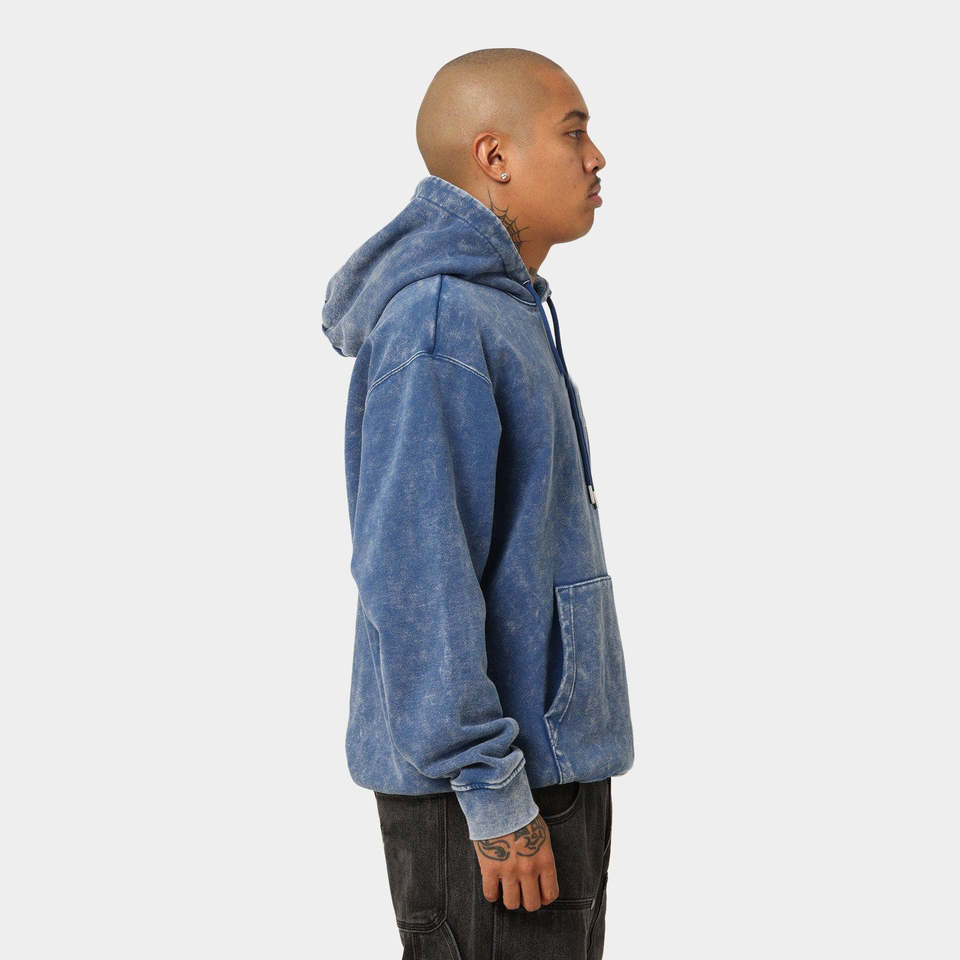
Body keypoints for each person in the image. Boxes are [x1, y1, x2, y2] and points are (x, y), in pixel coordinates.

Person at [321, 47, 635, 959]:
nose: (597, 157)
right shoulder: (439, 322)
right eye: (573, 132)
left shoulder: (500, 311)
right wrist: (493, 792)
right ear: (494, 156)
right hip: (492, 794)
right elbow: (415, 578)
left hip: (544, 772)